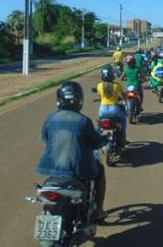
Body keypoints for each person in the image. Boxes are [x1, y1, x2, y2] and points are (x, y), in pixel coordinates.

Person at [36, 81, 107, 220]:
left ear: (59, 99)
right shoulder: (84, 121)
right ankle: (99, 211)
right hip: (77, 170)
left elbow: (45, 138)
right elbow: (96, 142)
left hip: (52, 171)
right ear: (80, 99)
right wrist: (104, 140)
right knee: (100, 171)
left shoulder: (50, 119)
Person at [97, 65, 128, 143]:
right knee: (123, 119)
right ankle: (122, 134)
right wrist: (125, 102)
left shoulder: (99, 86)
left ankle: (98, 136)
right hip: (114, 109)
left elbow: (100, 96)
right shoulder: (117, 85)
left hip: (102, 110)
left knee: (100, 123)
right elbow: (124, 96)